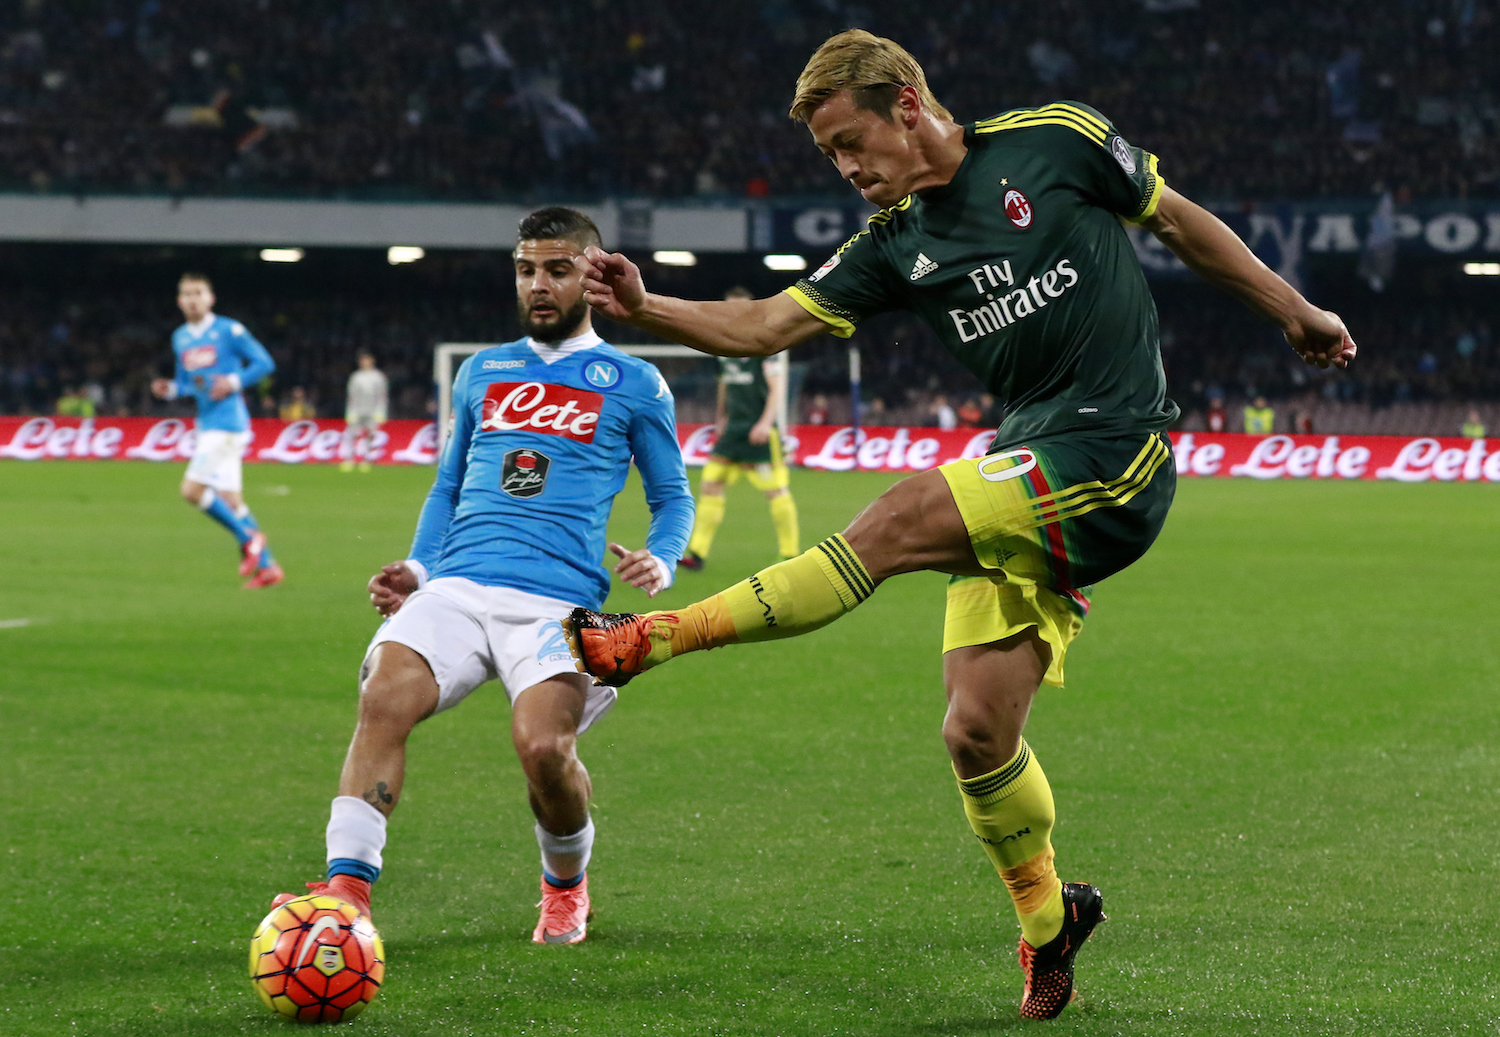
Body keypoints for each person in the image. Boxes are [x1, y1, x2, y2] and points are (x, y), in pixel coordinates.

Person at [565, 30, 1355, 1019]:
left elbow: (1181, 223)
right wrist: (650, 307)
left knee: (897, 515)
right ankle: (1049, 924)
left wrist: (1295, 308)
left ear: (906, 104)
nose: (849, 169)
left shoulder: (1054, 141)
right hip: (1026, 462)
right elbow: (765, 325)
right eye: (829, 157)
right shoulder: (895, 245)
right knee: (976, 727)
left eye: (852, 142)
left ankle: (648, 639)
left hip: (1115, 450)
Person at [270, 207, 693, 947]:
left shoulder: (634, 382)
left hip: (558, 600)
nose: (538, 284)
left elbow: (673, 494)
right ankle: (347, 891)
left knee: (543, 749)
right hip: (460, 584)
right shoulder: (483, 370)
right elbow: (447, 485)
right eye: (527, 268)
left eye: (557, 269)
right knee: (385, 696)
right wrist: (417, 564)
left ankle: (565, 885)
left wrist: (662, 553)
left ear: (592, 278)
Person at [151, 273, 283, 589]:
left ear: (210, 298)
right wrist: (169, 389)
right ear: (179, 301)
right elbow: (188, 382)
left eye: (199, 293)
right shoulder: (180, 337)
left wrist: (233, 382)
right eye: (187, 294)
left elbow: (264, 362)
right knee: (231, 501)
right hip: (208, 424)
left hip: (228, 424)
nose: (193, 299)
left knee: (192, 490)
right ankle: (268, 568)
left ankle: (248, 539)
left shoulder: (229, 330)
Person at [680, 287, 799, 571]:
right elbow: (725, 385)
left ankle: (791, 555)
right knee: (710, 485)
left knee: (776, 492)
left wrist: (765, 423)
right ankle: (697, 554)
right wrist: (720, 417)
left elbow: (777, 389)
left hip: (758, 432)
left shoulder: (764, 345)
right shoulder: (724, 347)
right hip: (732, 431)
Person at [342, 351, 389, 472]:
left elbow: (382, 396)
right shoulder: (356, 377)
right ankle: (349, 459)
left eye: (367, 360)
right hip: (357, 410)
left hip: (372, 411)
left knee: (369, 435)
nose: (365, 362)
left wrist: (381, 412)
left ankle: (366, 459)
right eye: (363, 360)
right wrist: (350, 411)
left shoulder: (378, 377)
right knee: (352, 434)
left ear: (372, 361)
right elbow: (351, 395)